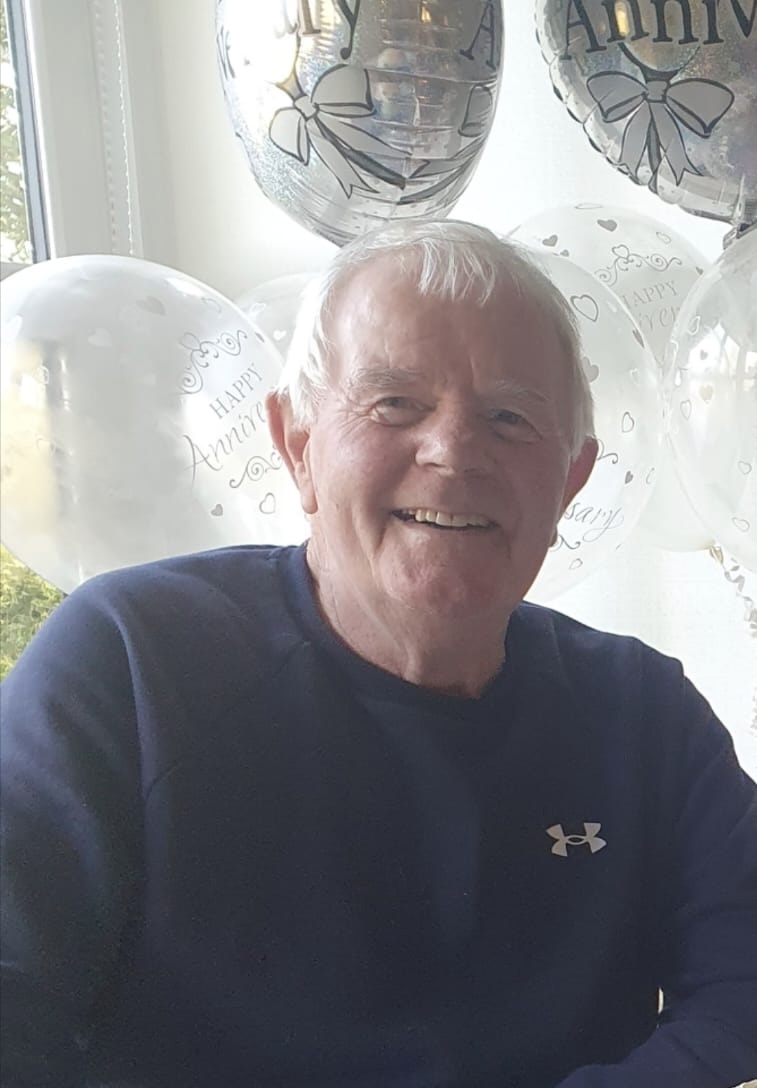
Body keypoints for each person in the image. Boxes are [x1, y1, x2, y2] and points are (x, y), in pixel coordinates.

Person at [1, 220, 755, 1088]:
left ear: (570, 480)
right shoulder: (127, 662)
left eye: (509, 417)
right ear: (298, 444)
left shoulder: (644, 712)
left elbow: (742, 982)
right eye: (394, 402)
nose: (454, 451)